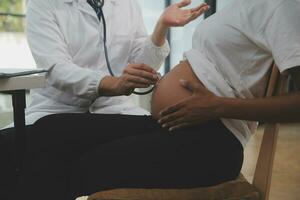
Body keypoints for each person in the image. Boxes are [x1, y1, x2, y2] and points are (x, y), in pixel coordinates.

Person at [71, 0, 300, 198]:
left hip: (212, 142)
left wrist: (217, 107)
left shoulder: (282, 6)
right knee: (55, 130)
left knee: (86, 164)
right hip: (177, 127)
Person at [0, 0, 210, 199]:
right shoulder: (43, 5)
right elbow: (56, 69)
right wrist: (112, 84)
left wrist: (161, 27)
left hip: (115, 112)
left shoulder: (125, 4)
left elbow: (141, 66)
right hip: (56, 109)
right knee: (12, 152)